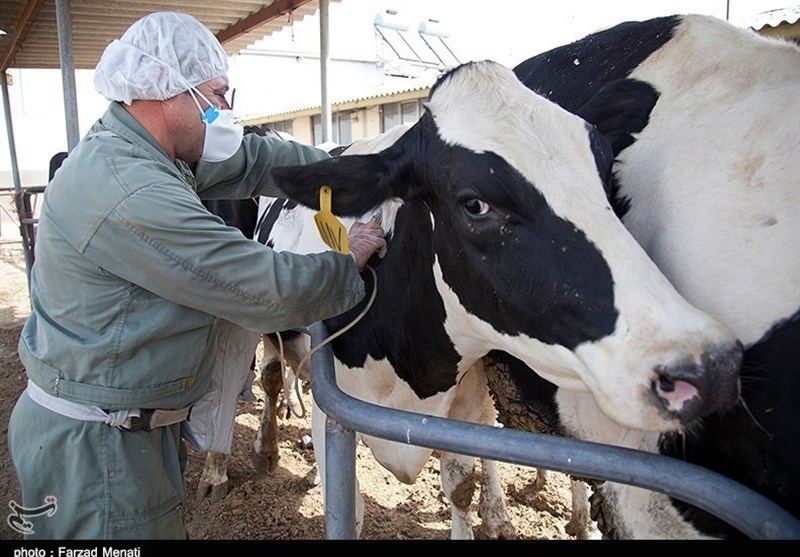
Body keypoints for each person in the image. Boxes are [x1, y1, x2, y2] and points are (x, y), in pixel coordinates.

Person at [7, 11, 386, 540]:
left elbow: (252, 160)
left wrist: (338, 170)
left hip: (118, 425)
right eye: (218, 95)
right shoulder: (133, 190)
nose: (227, 111)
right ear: (168, 90)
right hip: (100, 449)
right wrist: (346, 262)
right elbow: (259, 287)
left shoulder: (147, 151)